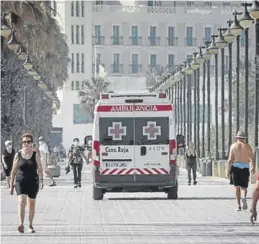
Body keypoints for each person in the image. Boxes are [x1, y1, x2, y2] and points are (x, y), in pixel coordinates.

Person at [10, 133, 44, 233]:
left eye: (28, 142)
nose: (26, 144)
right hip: (20, 181)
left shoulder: (35, 155)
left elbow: (40, 168)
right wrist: (11, 185)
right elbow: (13, 171)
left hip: (33, 181)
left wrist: (41, 180)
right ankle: (21, 224)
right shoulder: (18, 155)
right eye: (24, 142)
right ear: (22, 143)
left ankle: (30, 225)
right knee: (21, 201)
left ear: (31, 143)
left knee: (31, 204)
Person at [227, 131, 256, 211]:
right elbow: (253, 158)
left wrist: (228, 171)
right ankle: (244, 197)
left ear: (237, 138)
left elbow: (230, 160)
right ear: (244, 138)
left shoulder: (233, 146)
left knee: (237, 188)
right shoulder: (247, 146)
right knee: (244, 187)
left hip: (235, 167)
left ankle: (238, 205)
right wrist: (253, 167)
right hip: (245, 167)